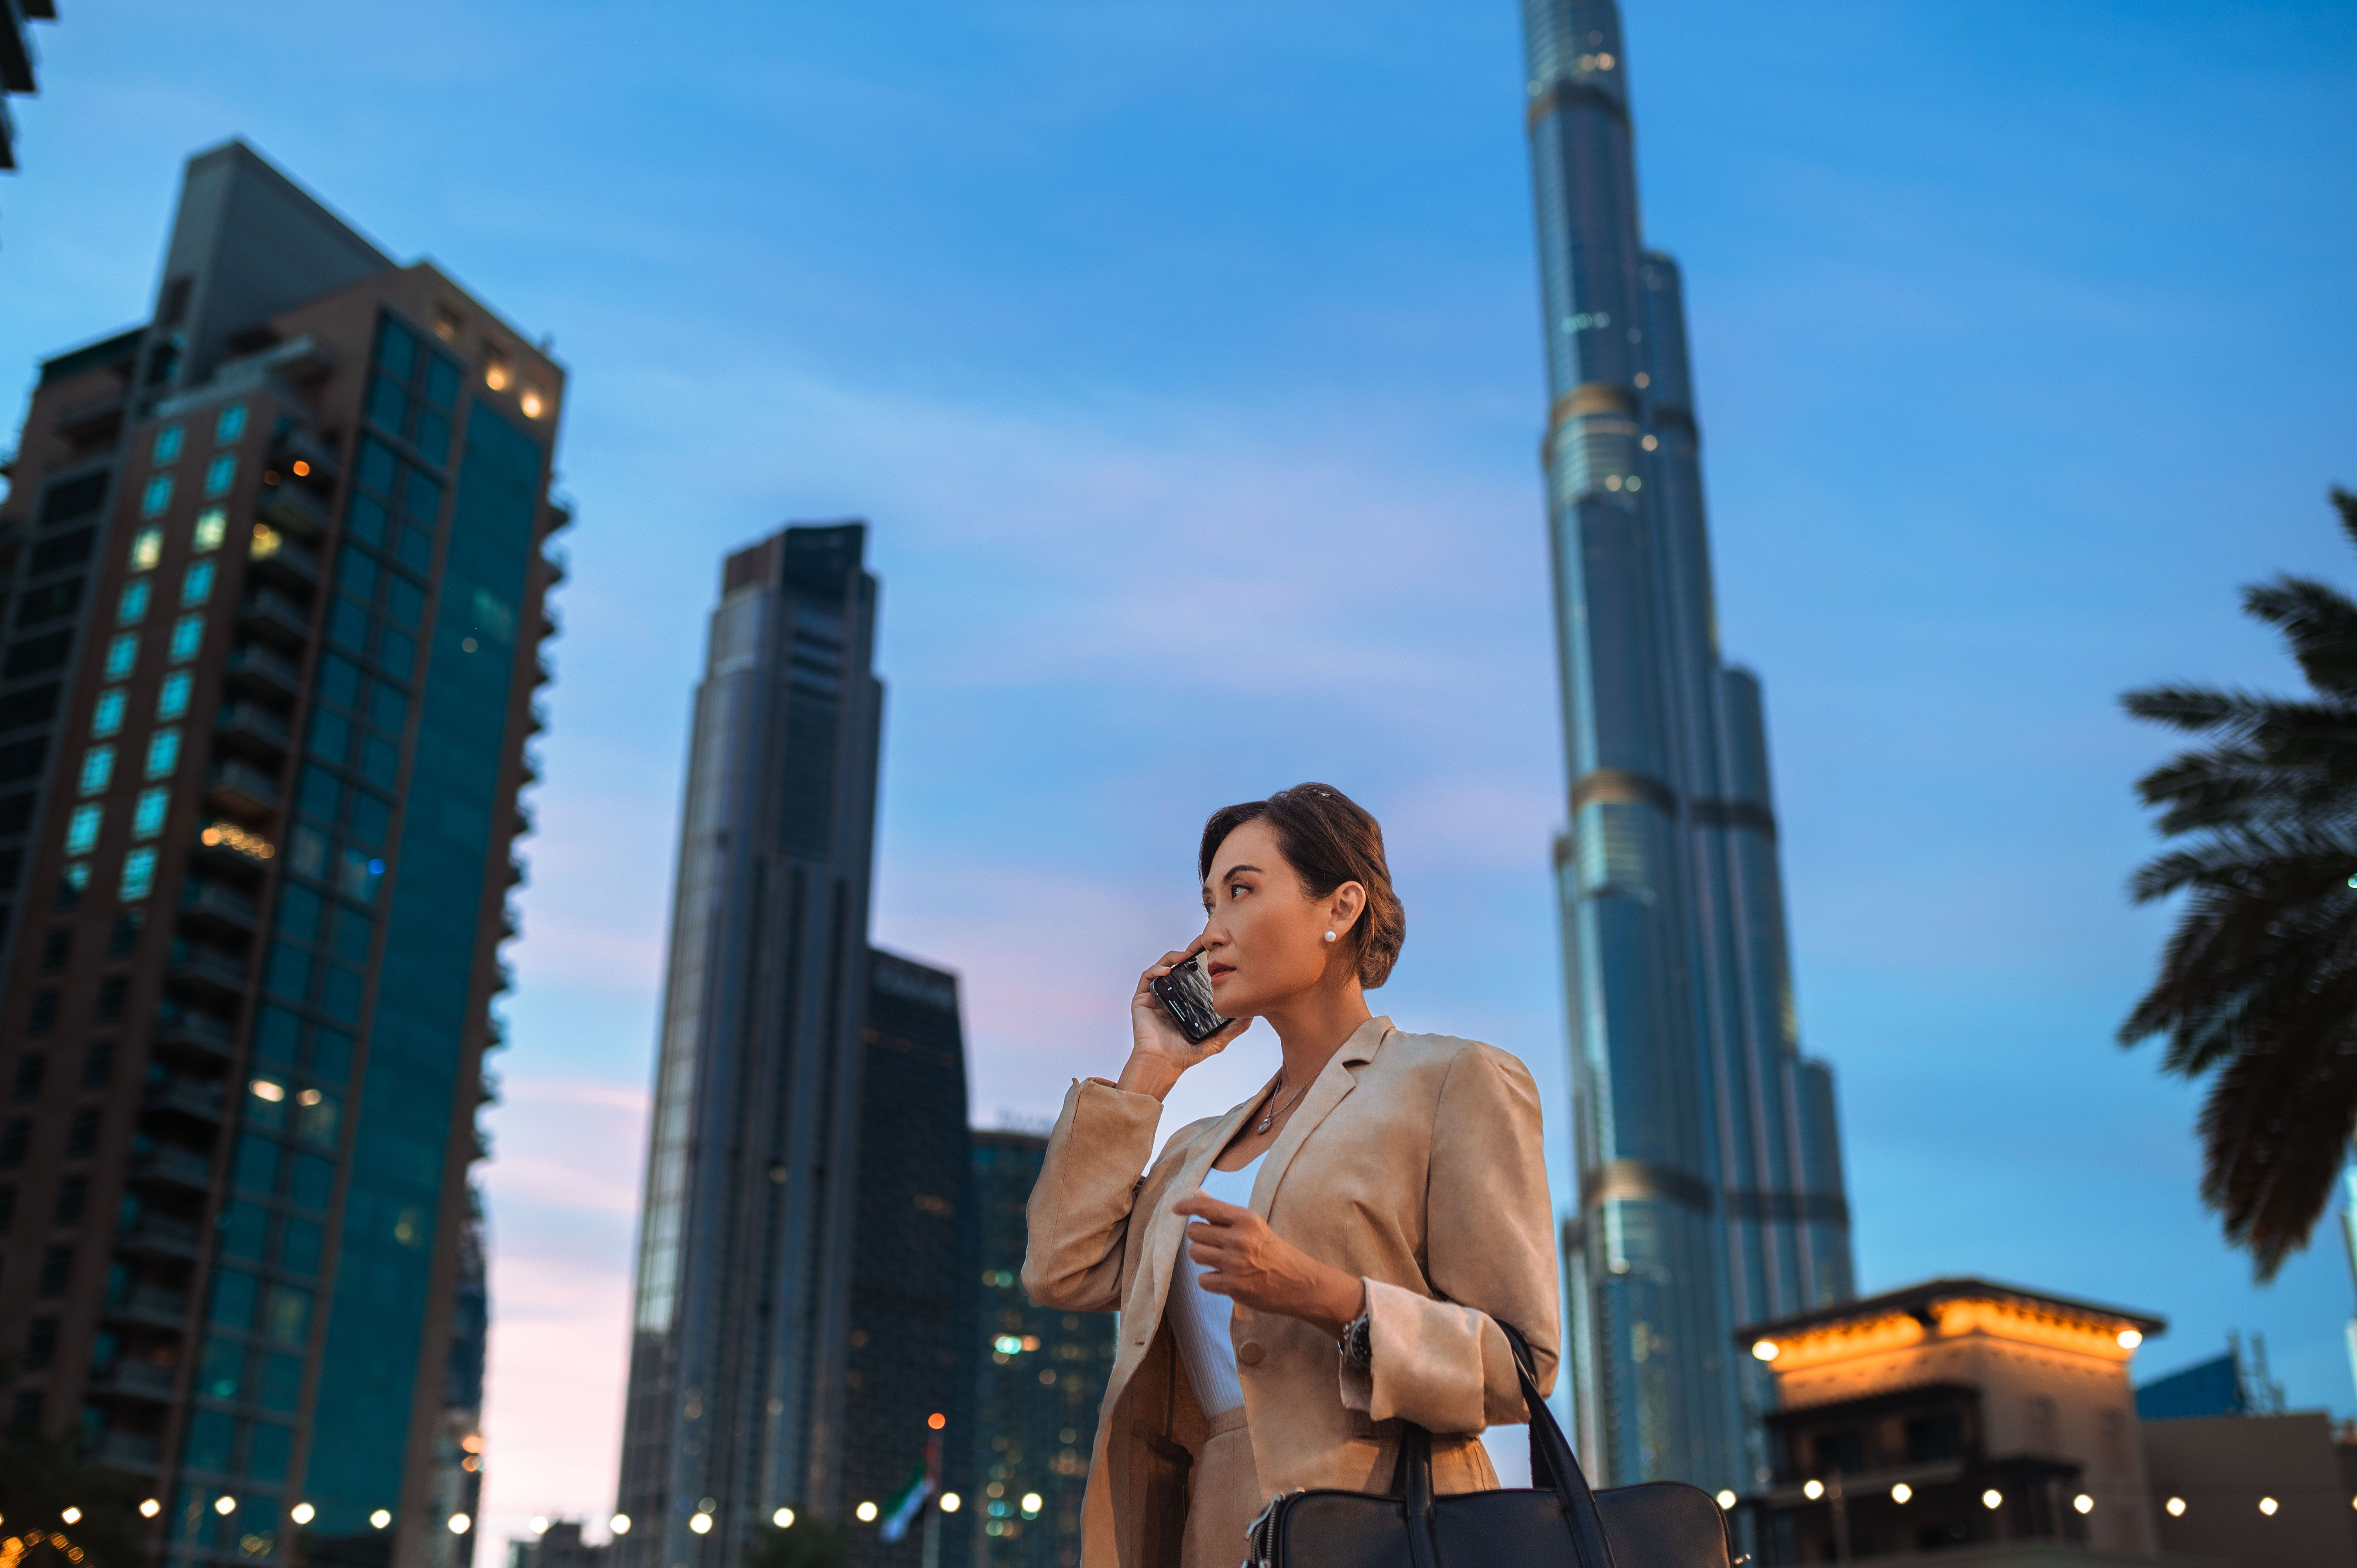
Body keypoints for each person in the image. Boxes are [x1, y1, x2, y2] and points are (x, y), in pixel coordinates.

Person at [1023, 783, 1558, 1568]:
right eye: (1207, 904)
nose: (1211, 934)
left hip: (1396, 1529)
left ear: (1339, 908)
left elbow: (1521, 1367)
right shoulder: (1194, 1150)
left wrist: (1325, 1295)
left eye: (1241, 891)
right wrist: (1152, 1067)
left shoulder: (1455, 1080)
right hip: (1216, 1534)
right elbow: (1060, 1269)